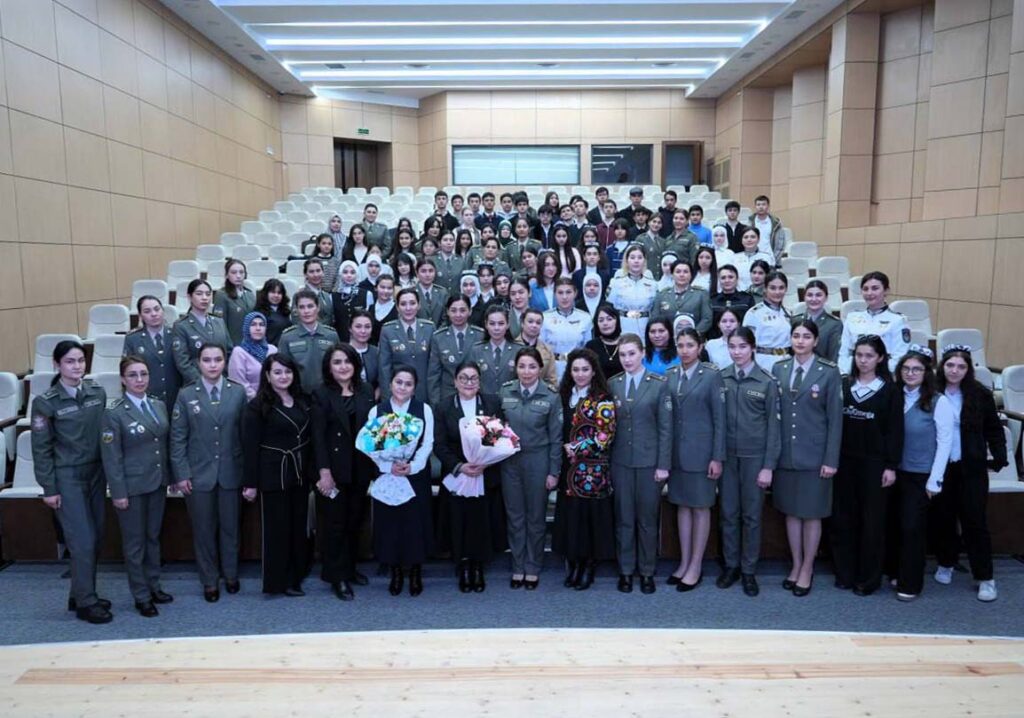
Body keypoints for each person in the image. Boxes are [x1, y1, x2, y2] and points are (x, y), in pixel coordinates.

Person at [32, 341, 110, 624]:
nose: (77, 366)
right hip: (68, 477)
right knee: (82, 541)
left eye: (80, 360)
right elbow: (41, 449)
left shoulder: (97, 393)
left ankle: (79, 593)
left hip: (96, 474)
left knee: (96, 538)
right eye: (69, 361)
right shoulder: (45, 402)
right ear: (57, 365)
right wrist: (49, 488)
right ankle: (86, 603)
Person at [771, 321, 843, 597]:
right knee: (791, 512)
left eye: (806, 336)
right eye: (796, 336)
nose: (800, 341)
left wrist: (831, 459)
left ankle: (808, 567)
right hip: (786, 454)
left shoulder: (829, 371)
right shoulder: (779, 368)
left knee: (811, 514)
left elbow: (835, 420)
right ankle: (796, 563)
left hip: (815, 455)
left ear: (816, 341)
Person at [170, 343, 246, 603]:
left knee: (231, 528)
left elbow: (244, 435)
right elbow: (177, 438)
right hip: (198, 474)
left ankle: (231, 574)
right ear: (198, 363)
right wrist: (181, 473)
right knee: (204, 531)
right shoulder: (186, 395)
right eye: (207, 360)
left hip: (231, 472)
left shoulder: (237, 392)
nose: (213, 365)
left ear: (225, 362)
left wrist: (248, 474)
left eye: (217, 359)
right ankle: (209, 580)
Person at [101, 355, 175, 617]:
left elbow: (163, 445)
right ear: (123, 379)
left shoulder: (158, 405)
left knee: (153, 538)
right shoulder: (114, 413)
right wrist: (118, 492)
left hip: (157, 482)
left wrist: (170, 477)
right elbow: (112, 457)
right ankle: (141, 595)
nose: (139, 379)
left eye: (143, 374)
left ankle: (154, 586)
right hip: (131, 488)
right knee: (135, 545)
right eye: (133, 375)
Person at [932, 345, 1007, 603]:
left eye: (961, 366)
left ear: (968, 370)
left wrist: (999, 455)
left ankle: (985, 578)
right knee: (943, 519)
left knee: (975, 522)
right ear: (942, 366)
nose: (955, 371)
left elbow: (994, 429)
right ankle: (946, 562)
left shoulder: (980, 394)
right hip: (942, 467)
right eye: (950, 365)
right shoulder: (932, 391)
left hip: (971, 468)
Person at [831, 335, 903, 596]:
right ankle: (845, 573)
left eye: (869, 356)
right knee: (843, 519)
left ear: (880, 358)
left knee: (872, 523)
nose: (863, 360)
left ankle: (868, 579)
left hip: (875, 465)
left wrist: (891, 466)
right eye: (859, 355)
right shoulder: (844, 385)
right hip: (845, 462)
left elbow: (895, 431)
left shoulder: (890, 390)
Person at [716, 327, 781, 597]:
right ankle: (731, 565)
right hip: (728, 458)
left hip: (755, 459)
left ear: (753, 348)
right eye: (732, 347)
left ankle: (749, 570)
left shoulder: (766, 381)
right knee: (728, 514)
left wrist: (768, 466)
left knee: (752, 516)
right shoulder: (721, 378)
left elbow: (774, 428)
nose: (737, 352)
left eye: (742, 347)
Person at [240, 354, 311, 596]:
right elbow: (250, 447)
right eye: (278, 372)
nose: (283, 376)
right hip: (273, 475)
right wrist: (250, 483)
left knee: (298, 527)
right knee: (277, 530)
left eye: (288, 372)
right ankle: (277, 582)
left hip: (300, 473)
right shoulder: (257, 406)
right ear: (268, 376)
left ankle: (295, 576)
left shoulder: (302, 400)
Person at [607, 333, 672, 594]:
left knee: (647, 519)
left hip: (649, 463)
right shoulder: (613, 384)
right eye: (622, 355)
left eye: (632, 354)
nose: (627, 359)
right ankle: (625, 571)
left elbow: (666, 428)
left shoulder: (659, 384)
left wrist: (663, 464)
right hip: (621, 462)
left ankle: (646, 571)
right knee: (624, 519)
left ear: (642, 353)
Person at [887, 346, 953, 602]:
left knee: (912, 528)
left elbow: (945, 442)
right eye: (905, 368)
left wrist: (935, 479)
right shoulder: (895, 396)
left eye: (916, 369)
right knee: (894, 525)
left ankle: (911, 583)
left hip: (920, 475)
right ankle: (895, 572)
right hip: (894, 472)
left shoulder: (938, 401)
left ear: (926, 373)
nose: (910, 373)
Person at [434, 361, 504, 593]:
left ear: (479, 382)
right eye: (463, 378)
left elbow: (500, 437)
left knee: (480, 519)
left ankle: (478, 565)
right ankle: (463, 564)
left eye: (473, 378)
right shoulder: (444, 407)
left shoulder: (491, 403)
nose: (469, 382)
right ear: (455, 382)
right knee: (459, 518)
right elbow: (440, 444)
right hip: (458, 474)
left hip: (484, 471)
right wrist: (460, 466)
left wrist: (486, 461)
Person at [311, 344, 375, 601]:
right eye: (337, 362)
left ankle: (349, 569)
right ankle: (336, 576)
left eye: (347, 361)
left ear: (355, 365)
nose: (343, 366)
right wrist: (323, 472)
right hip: (334, 470)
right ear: (329, 367)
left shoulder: (366, 390)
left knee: (354, 521)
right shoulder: (321, 394)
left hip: (360, 467)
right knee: (334, 524)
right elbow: (317, 437)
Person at [665, 329, 725, 591]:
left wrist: (717, 457)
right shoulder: (670, 374)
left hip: (702, 455)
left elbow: (720, 420)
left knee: (700, 508)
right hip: (676, 454)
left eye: (690, 345)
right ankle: (684, 562)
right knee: (682, 506)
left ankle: (696, 566)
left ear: (700, 347)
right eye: (680, 345)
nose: (685, 350)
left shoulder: (711, 375)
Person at [368, 366, 436, 597]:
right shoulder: (377, 411)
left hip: (415, 475)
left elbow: (427, 443)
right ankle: (395, 571)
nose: (403, 387)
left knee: (414, 523)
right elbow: (371, 446)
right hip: (387, 475)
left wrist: (412, 466)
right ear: (390, 384)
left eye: (408, 384)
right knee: (390, 524)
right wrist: (389, 466)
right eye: (399, 382)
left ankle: (415, 571)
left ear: (414, 388)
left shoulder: (423, 409)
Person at [553, 349, 617, 591]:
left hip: (592, 472)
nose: (580, 374)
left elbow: (605, 436)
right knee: (572, 520)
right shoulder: (563, 395)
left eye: (585, 370)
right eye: (576, 369)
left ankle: (588, 566)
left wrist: (577, 448)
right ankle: (574, 563)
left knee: (589, 521)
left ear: (593, 372)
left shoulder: (602, 399)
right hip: (567, 471)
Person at [500, 347, 563, 590]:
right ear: (515, 368)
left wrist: (554, 471)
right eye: (522, 366)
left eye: (532, 366)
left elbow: (556, 438)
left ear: (540, 369)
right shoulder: (505, 391)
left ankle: (533, 566)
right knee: (515, 517)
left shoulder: (551, 396)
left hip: (539, 461)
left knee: (536, 518)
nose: (526, 372)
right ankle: (518, 566)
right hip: (510, 462)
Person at [838, 271, 910, 375]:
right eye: (865, 289)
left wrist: (874, 376)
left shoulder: (898, 320)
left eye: (875, 288)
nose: (869, 293)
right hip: (853, 373)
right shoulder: (852, 318)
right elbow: (844, 352)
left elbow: (900, 356)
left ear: (886, 291)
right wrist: (845, 373)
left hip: (884, 375)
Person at [171, 279, 233, 385]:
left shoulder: (219, 321)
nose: (204, 298)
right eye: (199, 294)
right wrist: (202, 382)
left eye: (208, 294)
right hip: (196, 384)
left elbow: (229, 352)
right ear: (189, 297)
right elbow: (183, 362)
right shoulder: (181, 326)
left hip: (222, 381)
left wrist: (224, 377)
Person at [277, 289, 340, 393]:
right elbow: (282, 368)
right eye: (301, 307)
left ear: (318, 308)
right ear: (296, 310)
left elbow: (337, 366)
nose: (306, 311)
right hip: (298, 394)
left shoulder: (331, 335)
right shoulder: (287, 337)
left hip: (327, 393)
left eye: (310, 306)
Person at [124, 295, 181, 410]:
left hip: (177, 399)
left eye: (157, 309)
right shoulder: (133, 339)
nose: (154, 314)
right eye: (147, 311)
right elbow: (128, 371)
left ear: (163, 311)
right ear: (140, 316)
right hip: (148, 401)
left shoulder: (177, 334)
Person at [379, 288, 434, 403]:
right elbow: (384, 368)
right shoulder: (388, 330)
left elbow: (434, 365)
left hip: (424, 392)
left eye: (412, 303)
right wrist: (387, 398)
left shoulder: (429, 328)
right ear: (397, 307)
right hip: (398, 393)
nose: (408, 308)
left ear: (419, 305)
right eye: (403, 304)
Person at [427, 295, 484, 405]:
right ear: (447, 312)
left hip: (475, 395)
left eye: (462, 310)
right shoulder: (438, 337)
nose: (458, 315)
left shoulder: (480, 335)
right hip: (447, 397)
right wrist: (436, 404)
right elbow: (434, 375)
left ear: (470, 311)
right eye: (453, 310)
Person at [541, 278, 592, 380]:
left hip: (577, 368)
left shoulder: (585, 318)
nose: (564, 297)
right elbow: (541, 347)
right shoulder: (545, 318)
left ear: (575, 293)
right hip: (552, 366)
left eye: (568, 292)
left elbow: (588, 348)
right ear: (555, 294)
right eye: (560, 293)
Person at [743, 270, 792, 371]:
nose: (777, 292)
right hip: (763, 361)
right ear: (765, 289)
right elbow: (746, 343)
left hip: (786, 361)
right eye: (772, 288)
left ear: (786, 289)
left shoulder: (788, 313)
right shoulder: (754, 313)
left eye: (781, 288)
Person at [469, 305, 523, 396]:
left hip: (511, 400)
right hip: (484, 400)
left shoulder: (518, 350)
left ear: (507, 324)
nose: (496, 328)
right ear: (486, 324)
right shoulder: (476, 350)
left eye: (501, 323)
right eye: (492, 324)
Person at [607, 244, 658, 340]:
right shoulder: (616, 283)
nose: (636, 261)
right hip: (623, 325)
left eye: (640, 258)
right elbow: (610, 308)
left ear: (644, 261)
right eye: (632, 257)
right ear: (626, 261)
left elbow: (655, 310)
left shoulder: (653, 284)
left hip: (645, 326)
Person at [653, 260, 713, 334]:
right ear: (672, 274)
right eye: (678, 272)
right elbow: (655, 318)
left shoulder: (701, 294)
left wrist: (693, 334)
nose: (682, 275)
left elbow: (707, 319)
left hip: (694, 338)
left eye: (685, 272)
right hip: (667, 338)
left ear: (691, 275)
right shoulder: (661, 295)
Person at [228, 312, 278, 399]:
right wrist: (258, 399)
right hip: (250, 401)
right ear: (246, 328)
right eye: (253, 325)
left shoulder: (273, 350)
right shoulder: (239, 352)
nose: (258, 328)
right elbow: (239, 383)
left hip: (274, 399)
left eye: (261, 325)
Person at [793, 279, 842, 362]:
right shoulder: (795, 321)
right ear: (804, 297)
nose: (814, 299)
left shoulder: (834, 324)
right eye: (810, 295)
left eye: (818, 295)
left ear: (826, 298)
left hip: (822, 368)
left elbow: (833, 356)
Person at [213, 259, 256, 346]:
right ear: (227, 275)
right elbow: (220, 325)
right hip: (233, 345)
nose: (238, 276)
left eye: (241, 272)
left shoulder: (250, 294)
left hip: (251, 344)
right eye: (234, 272)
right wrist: (229, 347)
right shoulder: (221, 295)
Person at [516, 307, 558, 387]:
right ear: (522, 323)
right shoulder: (512, 347)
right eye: (530, 321)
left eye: (538, 323)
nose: (534, 325)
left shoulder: (547, 350)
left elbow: (552, 380)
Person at [585, 304, 624, 379]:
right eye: (601, 320)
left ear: (617, 321)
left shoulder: (626, 343)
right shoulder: (591, 346)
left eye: (609, 319)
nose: (605, 323)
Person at [348, 309, 380, 395]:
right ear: (350, 328)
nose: (363, 331)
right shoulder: (342, 352)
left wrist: (373, 398)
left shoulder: (377, 352)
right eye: (358, 327)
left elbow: (382, 380)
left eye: (367, 327)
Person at [748, 195, 785, 264]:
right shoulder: (749, 222)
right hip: (753, 258)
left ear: (768, 206)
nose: (761, 207)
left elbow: (780, 244)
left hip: (770, 258)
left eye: (763, 204)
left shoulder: (776, 223)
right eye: (758, 205)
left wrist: (774, 259)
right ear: (755, 206)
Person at [255, 278, 293, 346]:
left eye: (279, 293)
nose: (276, 295)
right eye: (273, 292)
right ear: (266, 293)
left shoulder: (285, 311)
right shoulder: (258, 313)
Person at [414, 259, 449, 326]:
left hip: (440, 331)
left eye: (431, 271)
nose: (427, 275)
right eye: (423, 271)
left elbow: (446, 317)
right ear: (417, 273)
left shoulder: (442, 293)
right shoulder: (411, 293)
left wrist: (439, 331)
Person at [368, 274, 398, 344]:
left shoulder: (398, 309)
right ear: (376, 288)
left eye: (389, 288)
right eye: (382, 287)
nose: (386, 291)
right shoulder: (369, 308)